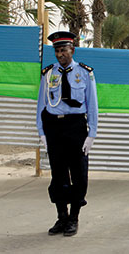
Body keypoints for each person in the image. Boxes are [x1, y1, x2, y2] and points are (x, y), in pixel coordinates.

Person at [36, 31, 98, 237]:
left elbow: (92, 104)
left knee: (79, 174)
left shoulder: (85, 72)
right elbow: (41, 105)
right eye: (56, 50)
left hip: (76, 127)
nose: (60, 54)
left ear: (72, 50)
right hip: (54, 127)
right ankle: (61, 216)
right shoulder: (48, 73)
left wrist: (92, 134)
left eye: (64, 50)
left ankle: (74, 217)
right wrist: (42, 133)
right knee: (58, 174)